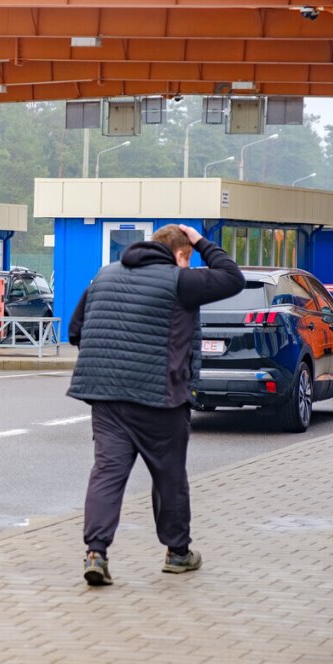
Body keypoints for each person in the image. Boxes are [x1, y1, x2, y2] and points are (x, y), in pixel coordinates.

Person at [67, 224, 244, 586]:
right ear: (180, 254)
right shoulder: (179, 281)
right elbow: (232, 277)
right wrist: (200, 241)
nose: (190, 263)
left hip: (105, 395)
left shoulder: (104, 275)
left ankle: (96, 554)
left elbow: (75, 330)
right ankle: (178, 554)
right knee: (169, 478)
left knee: (107, 474)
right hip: (159, 399)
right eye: (189, 257)